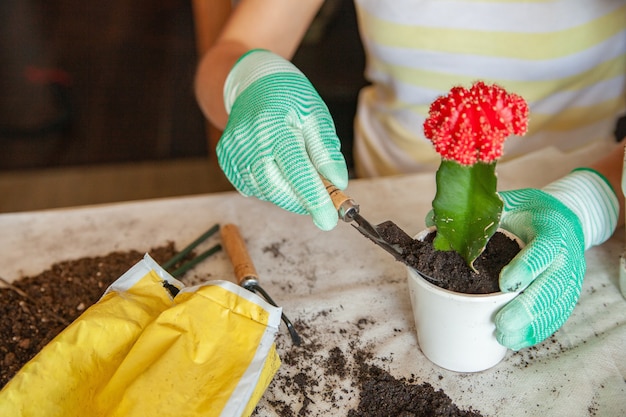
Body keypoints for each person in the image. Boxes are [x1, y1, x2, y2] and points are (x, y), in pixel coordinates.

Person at [195, 0, 626, 350]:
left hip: (586, 177)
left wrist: (591, 198)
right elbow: (231, 48)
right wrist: (249, 81)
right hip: (381, 179)